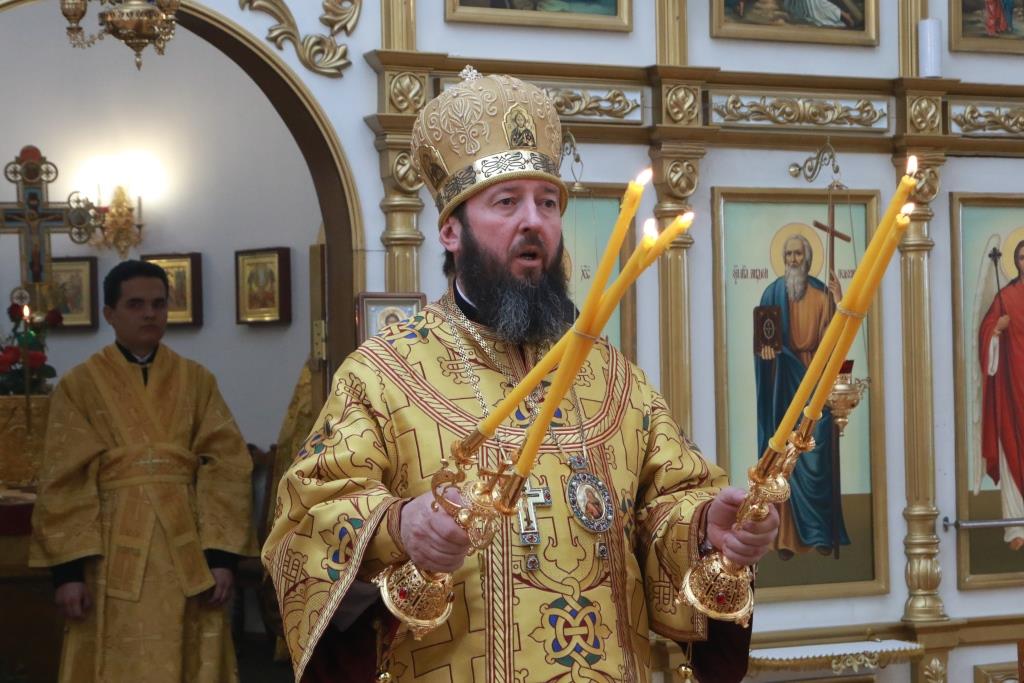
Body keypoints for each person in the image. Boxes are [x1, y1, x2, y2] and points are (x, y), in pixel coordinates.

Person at [263, 69, 779, 683]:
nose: (534, 221)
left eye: (548, 202)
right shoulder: (381, 375)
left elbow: (666, 503)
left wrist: (705, 528)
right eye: (506, 202)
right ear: (451, 231)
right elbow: (303, 524)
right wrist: (398, 526)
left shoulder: (615, 378)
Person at [29, 260, 255, 682]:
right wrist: (68, 574)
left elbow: (227, 467)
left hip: (188, 554)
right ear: (110, 314)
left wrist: (222, 558)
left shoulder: (197, 381)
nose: (149, 314)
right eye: (135, 304)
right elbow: (63, 479)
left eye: (158, 304)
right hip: (108, 556)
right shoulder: (79, 385)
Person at [755, 234, 849, 558]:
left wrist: (840, 303)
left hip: (814, 386)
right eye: (789, 254)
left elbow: (836, 343)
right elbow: (763, 342)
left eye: (798, 254)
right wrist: (766, 353)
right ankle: (784, 539)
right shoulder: (772, 293)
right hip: (782, 388)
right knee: (782, 459)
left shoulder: (823, 296)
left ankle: (820, 533)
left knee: (816, 455)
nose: (793, 259)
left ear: (808, 259)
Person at [978, 239, 1024, 551]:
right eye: (1022, 257)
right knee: (1011, 448)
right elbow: (985, 332)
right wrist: (996, 329)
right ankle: (1016, 528)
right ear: (1015, 261)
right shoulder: (1005, 297)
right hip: (1011, 388)